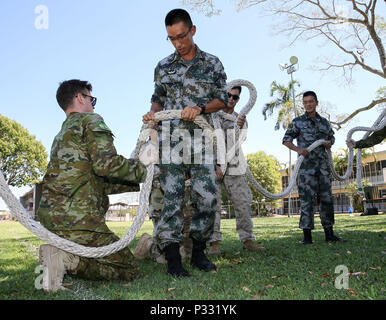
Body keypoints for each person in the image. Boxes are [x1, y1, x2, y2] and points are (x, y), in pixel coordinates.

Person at [37, 79, 147, 292]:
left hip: (51, 218)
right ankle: (67, 261)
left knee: (109, 253)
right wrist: (143, 168)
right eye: (91, 98)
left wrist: (136, 183)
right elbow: (107, 165)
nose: (93, 104)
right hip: (79, 220)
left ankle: (62, 256)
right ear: (80, 98)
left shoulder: (61, 136)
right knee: (128, 267)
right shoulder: (90, 120)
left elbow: (95, 180)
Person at [142, 9, 228, 277]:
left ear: (193, 30)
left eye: (181, 36)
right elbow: (158, 97)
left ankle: (199, 253)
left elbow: (223, 99)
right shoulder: (163, 65)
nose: (178, 43)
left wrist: (200, 107)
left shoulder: (212, 63)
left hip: (201, 141)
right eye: (171, 39)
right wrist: (153, 113)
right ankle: (173, 260)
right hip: (170, 142)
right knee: (172, 199)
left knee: (207, 197)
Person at [208, 86, 266, 255]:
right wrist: (216, 165)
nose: (231, 99)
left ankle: (248, 240)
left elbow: (241, 139)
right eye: (229, 95)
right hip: (213, 165)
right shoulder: (212, 116)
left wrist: (239, 126)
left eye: (235, 97)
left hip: (234, 165)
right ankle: (214, 244)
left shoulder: (240, 119)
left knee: (242, 202)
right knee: (213, 203)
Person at [282, 91, 345, 244]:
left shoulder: (324, 122)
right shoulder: (297, 122)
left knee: (326, 199)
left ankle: (329, 234)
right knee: (307, 201)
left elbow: (331, 136)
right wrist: (299, 150)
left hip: (323, 167)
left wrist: (330, 142)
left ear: (316, 102)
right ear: (303, 104)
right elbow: (286, 140)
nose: (308, 104)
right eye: (305, 102)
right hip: (306, 169)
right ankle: (307, 237)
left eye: (311, 101)